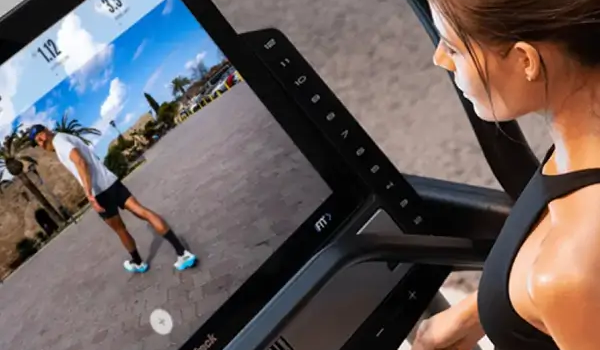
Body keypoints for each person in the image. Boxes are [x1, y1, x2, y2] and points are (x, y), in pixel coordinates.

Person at [412, 1, 600, 350]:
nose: (440, 59)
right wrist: (481, 309)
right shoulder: (584, 143)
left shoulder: (568, 274)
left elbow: (579, 288)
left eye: (453, 47)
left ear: (525, 60)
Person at [29, 124, 197, 274]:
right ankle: (181, 253)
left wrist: (88, 194)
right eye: (37, 141)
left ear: (47, 130)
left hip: (99, 192)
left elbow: (80, 162)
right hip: (110, 182)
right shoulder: (65, 139)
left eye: (41, 135)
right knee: (141, 211)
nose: (40, 141)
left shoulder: (59, 142)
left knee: (120, 229)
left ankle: (141, 262)